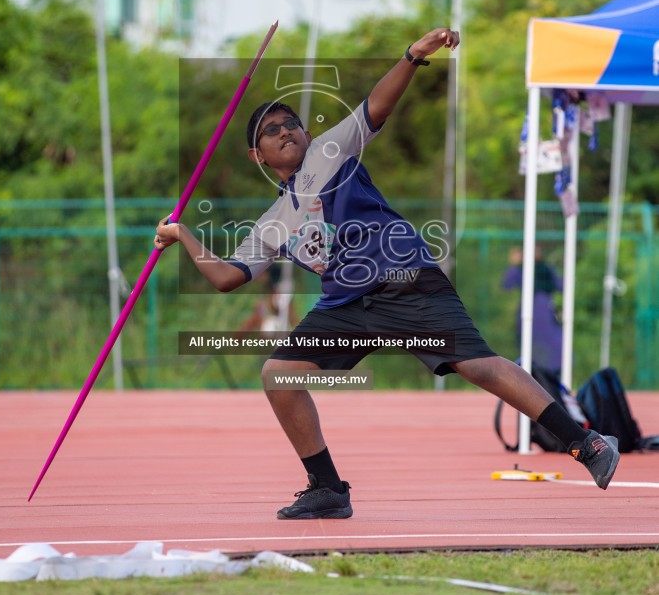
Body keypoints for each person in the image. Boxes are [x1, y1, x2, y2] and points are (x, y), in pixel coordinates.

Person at [155, 28, 619, 519]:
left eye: (290, 122)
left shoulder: (330, 151)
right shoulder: (271, 223)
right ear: (258, 156)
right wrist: (183, 234)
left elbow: (376, 105)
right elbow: (228, 277)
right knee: (278, 374)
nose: (285, 131)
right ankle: (327, 488)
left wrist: (413, 57)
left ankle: (585, 443)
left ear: (308, 134)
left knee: (476, 365)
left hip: (403, 277)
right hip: (345, 307)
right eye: (271, 131)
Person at [502, 245, 563, 374]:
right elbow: (507, 286)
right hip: (529, 316)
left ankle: (550, 380)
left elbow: (561, 285)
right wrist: (514, 265)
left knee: (554, 350)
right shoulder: (520, 270)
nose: (536, 252)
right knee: (528, 350)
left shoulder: (547, 269)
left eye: (538, 249)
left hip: (547, 316)